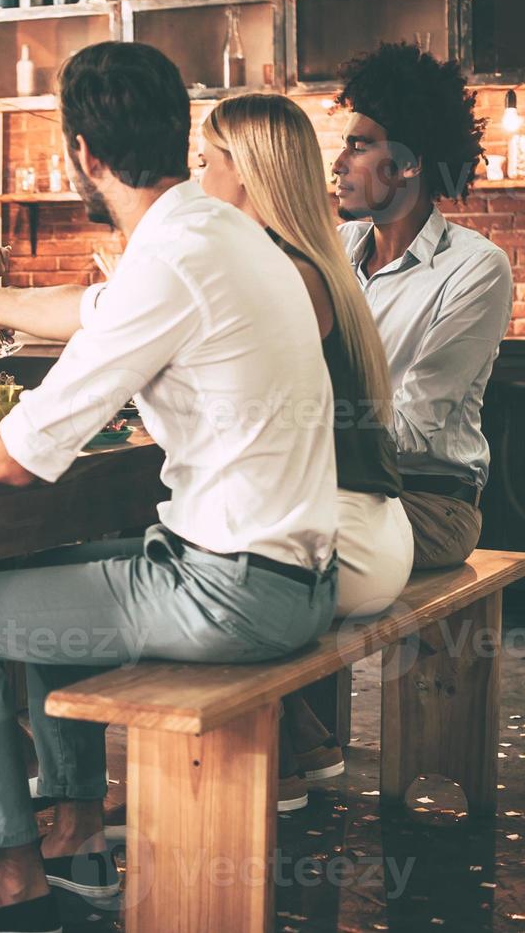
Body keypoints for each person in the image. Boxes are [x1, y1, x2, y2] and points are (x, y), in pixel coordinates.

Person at [0, 42, 340, 933]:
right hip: (291, 576)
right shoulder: (213, 232)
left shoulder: (169, 257)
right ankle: (75, 834)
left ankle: (10, 869)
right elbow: (91, 312)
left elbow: (18, 455)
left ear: (83, 156)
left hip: (230, 594)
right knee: (51, 560)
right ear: (177, 135)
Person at [197, 92, 414, 810]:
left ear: (245, 174)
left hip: (343, 543)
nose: (198, 183)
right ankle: (304, 738)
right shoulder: (308, 261)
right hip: (369, 525)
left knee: (169, 567)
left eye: (206, 163)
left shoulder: (284, 275)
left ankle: (265, 768)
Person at [330, 42, 513, 570]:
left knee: (264, 546)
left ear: (409, 165)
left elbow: (411, 432)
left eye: (359, 147)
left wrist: (292, 426)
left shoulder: (475, 268)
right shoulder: (335, 249)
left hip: (430, 505)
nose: (338, 164)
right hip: (340, 489)